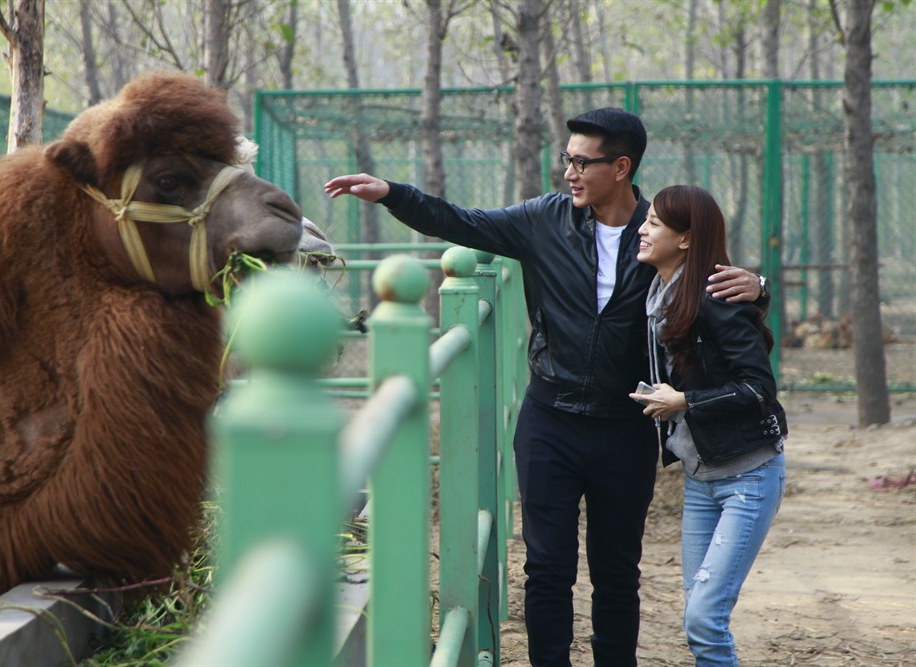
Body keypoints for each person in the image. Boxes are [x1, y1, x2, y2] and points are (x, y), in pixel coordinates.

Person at [325, 108, 764, 667]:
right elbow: (462, 221)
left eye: (583, 162)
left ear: (622, 166)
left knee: (616, 572)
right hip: (549, 422)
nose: (570, 173)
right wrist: (392, 193)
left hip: (626, 425)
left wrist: (760, 285)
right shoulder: (544, 220)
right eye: (567, 160)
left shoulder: (658, 233)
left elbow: (710, 277)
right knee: (547, 566)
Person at [629, 184, 787, 666]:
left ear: (685, 239)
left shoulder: (715, 295)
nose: (642, 228)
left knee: (703, 616)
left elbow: (760, 389)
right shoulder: (658, 292)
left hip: (749, 476)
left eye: (653, 223)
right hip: (701, 479)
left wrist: (685, 400)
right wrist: (761, 285)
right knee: (700, 618)